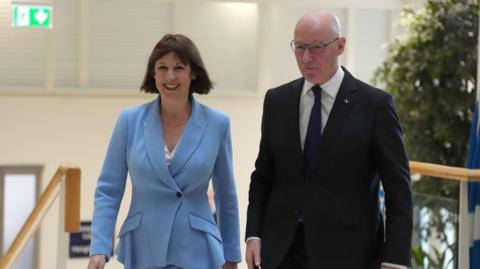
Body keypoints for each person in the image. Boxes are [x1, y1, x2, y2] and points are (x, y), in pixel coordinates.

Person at [245, 10, 413, 269]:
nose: (306, 57)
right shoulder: (277, 101)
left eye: (316, 47)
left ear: (340, 45)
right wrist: (253, 234)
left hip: (349, 253)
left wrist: (395, 259)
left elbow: (398, 190)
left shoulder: (375, 105)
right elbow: (263, 176)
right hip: (282, 250)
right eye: (299, 47)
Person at [87, 34, 241, 269]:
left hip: (197, 249)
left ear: (193, 73)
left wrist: (231, 256)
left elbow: (226, 195)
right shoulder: (129, 121)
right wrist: (99, 246)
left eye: (179, 67)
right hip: (143, 246)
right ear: (153, 74)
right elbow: (109, 189)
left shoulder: (217, 123)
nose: (170, 76)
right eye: (162, 67)